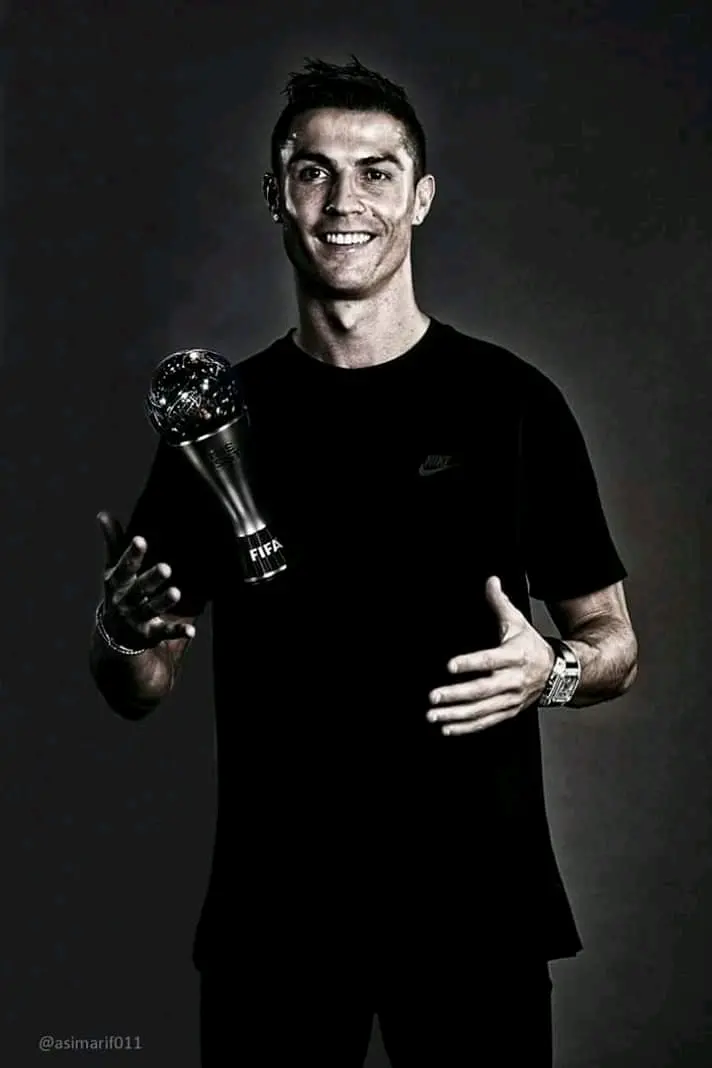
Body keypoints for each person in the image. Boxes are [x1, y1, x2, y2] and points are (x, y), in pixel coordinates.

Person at [89, 56, 639, 1067]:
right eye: (314, 172)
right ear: (276, 196)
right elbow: (142, 683)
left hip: (477, 912)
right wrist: (122, 636)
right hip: (274, 922)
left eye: (377, 171)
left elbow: (614, 643)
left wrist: (550, 672)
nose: (345, 202)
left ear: (420, 197)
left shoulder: (513, 403)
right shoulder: (216, 420)